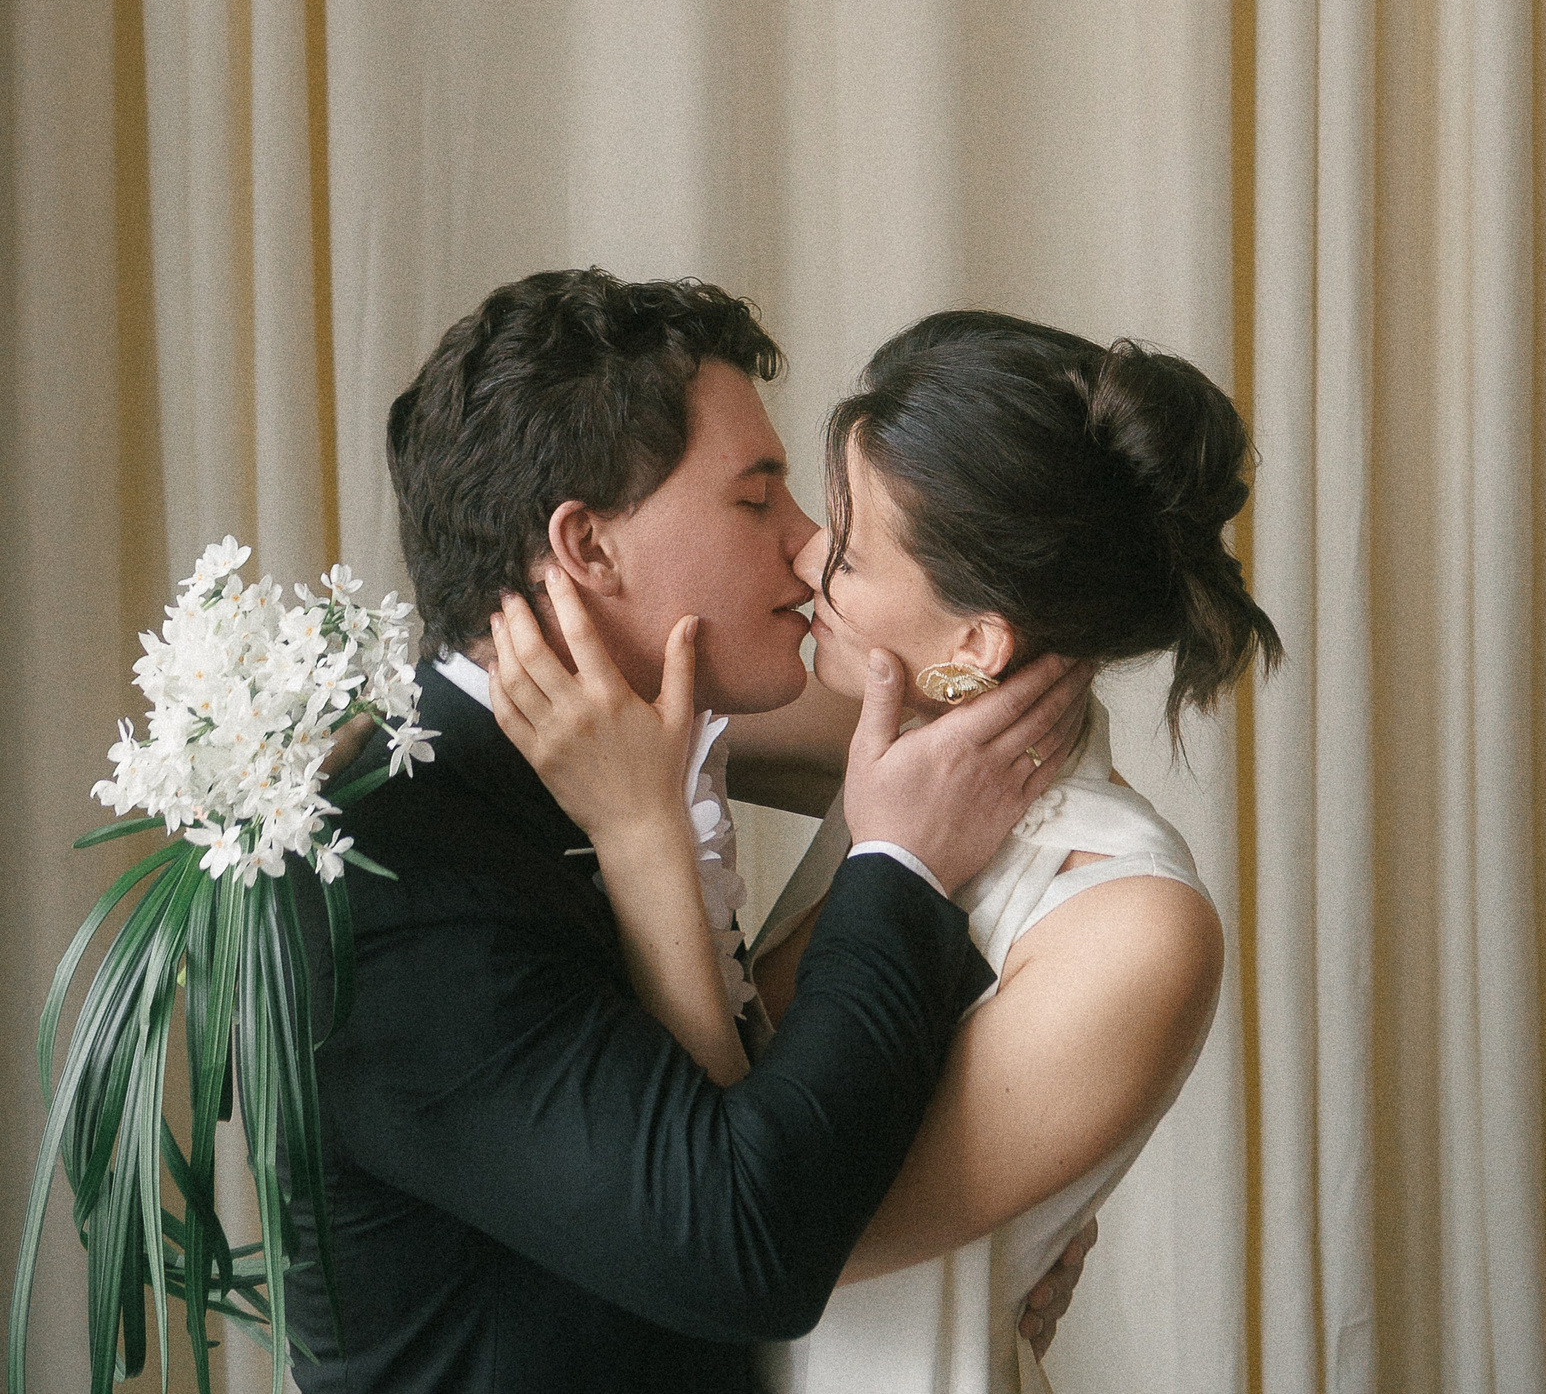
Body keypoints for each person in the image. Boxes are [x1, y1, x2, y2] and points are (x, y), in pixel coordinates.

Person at [285, 271, 1095, 1394]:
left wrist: (1010, 1221)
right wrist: (900, 866)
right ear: (588, 547)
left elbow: (952, 717)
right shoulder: (395, 875)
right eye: (758, 500)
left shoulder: (646, 743)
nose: (809, 547)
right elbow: (744, 1242)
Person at [493, 309, 1281, 1394]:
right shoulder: (890, 740)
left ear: (975, 643)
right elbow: (571, 695)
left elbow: (765, 1242)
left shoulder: (1132, 928)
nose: (805, 552)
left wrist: (653, 841)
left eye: (851, 550)